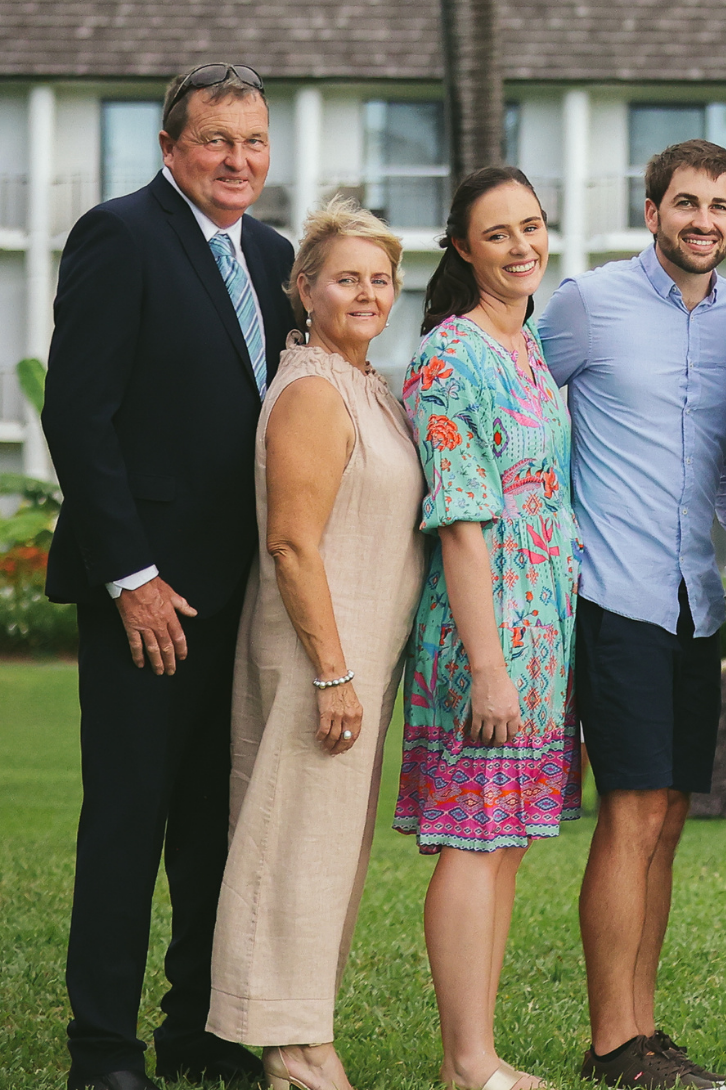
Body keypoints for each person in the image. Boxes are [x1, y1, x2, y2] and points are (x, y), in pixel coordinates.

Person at [44, 62, 290, 1090]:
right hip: (151, 599)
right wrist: (131, 577)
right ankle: (103, 1047)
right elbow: (78, 416)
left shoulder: (275, 255)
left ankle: (195, 1030)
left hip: (245, 601)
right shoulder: (120, 235)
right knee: (128, 822)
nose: (237, 160)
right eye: (215, 142)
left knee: (213, 827)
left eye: (253, 142)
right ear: (169, 148)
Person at [536, 140, 726, 1090]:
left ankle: (644, 1029)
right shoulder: (586, 304)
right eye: (687, 203)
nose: (704, 219)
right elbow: (521, 411)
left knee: (667, 813)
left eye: (723, 206)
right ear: (652, 207)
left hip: (696, 601)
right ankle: (612, 1037)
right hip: (610, 593)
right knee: (629, 812)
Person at [206, 203, 426, 1090]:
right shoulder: (310, 390)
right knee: (291, 843)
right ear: (304, 288)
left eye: (380, 278)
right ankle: (290, 1047)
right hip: (317, 654)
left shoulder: (367, 381)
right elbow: (292, 542)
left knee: (330, 846)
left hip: (358, 655)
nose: (367, 292)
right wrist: (333, 670)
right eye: (346, 277)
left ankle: (304, 1027)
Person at [400, 165, 580, 1090]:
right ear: (463, 246)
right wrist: (489, 667)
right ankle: (468, 1060)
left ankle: (477, 1053)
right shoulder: (449, 355)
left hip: (543, 629)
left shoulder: (531, 349)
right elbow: (462, 522)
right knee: (473, 839)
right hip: (485, 634)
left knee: (504, 839)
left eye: (533, 227)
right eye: (499, 233)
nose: (522, 247)